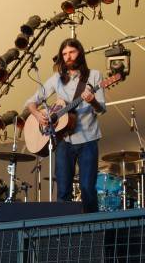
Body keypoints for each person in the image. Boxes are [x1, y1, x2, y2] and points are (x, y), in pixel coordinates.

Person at [25, 38, 106, 213]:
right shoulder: (56, 79)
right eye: (64, 54)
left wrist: (92, 102)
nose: (68, 57)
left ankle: (93, 229)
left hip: (88, 140)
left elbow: (101, 110)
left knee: (87, 188)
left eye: (72, 52)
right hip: (63, 141)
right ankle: (64, 233)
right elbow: (31, 102)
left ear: (80, 53)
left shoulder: (94, 76)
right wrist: (39, 115)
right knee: (62, 191)